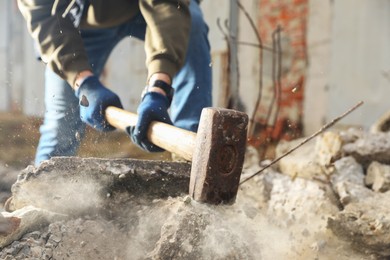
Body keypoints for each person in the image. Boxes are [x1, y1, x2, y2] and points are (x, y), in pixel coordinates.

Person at [17, 0, 212, 165]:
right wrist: (83, 83)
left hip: (143, 10)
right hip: (78, 22)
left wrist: (158, 88)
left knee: (192, 24)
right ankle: (42, 194)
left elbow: (167, 5)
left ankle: (190, 159)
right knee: (62, 122)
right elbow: (44, 18)